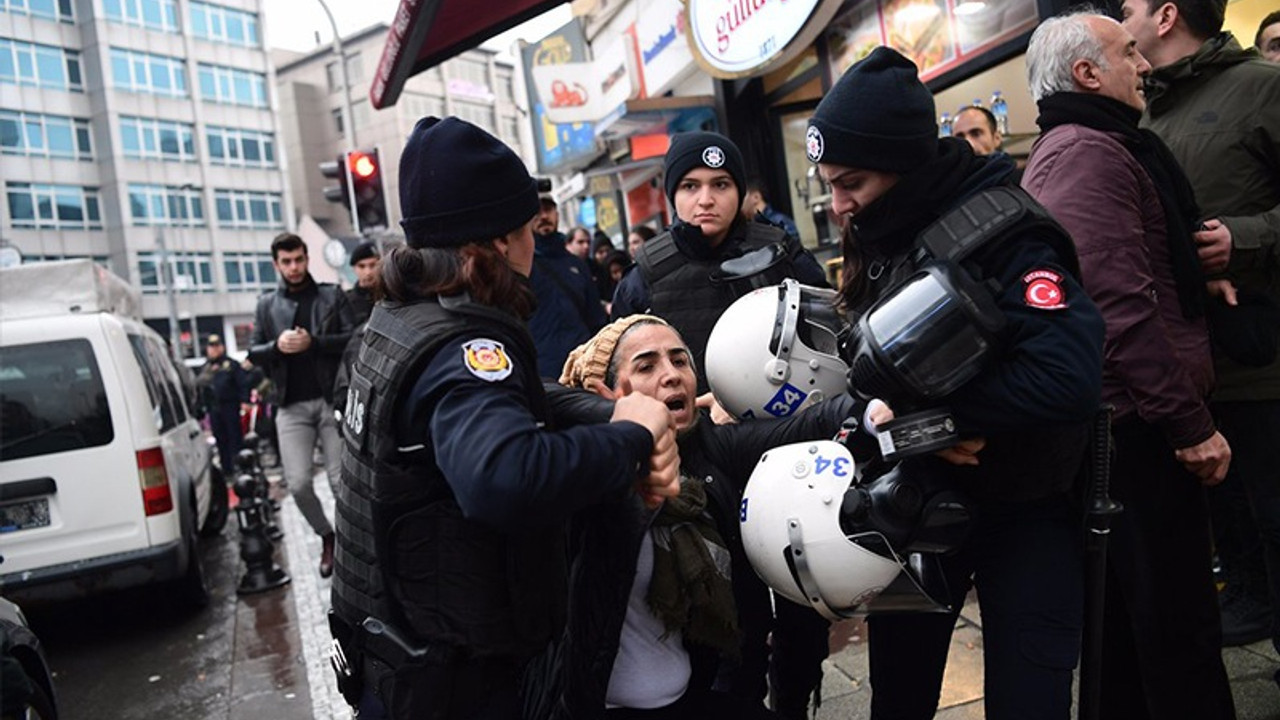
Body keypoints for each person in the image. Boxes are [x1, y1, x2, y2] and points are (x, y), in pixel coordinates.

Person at [327, 116, 679, 720]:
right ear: (495, 242)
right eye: (525, 230)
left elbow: (519, 400)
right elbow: (506, 477)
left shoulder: (401, 317)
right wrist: (630, 438)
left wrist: (614, 414)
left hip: (400, 662)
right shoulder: (462, 347)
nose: (534, 246)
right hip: (448, 681)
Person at [808, 46, 1105, 719]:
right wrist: (903, 424)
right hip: (913, 517)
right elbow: (871, 372)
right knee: (900, 698)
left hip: (1026, 512)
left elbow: (1068, 378)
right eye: (828, 182)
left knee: (1028, 701)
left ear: (904, 163)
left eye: (850, 181)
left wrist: (941, 418)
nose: (837, 203)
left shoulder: (1007, 230)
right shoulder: (882, 223)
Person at [1020, 12, 1235, 719]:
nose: (1143, 65)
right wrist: (1187, 423)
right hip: (1134, 432)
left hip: (1125, 428)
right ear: (1087, 73)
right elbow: (1114, 307)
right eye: (1129, 52)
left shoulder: (1089, 145)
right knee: (1173, 634)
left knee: (1134, 636)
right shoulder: (1089, 151)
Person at [524, 314, 880, 720]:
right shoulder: (581, 465)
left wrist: (874, 413)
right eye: (647, 365)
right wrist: (617, 421)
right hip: (591, 704)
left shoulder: (712, 444)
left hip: (701, 694)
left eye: (680, 361)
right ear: (603, 390)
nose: (672, 375)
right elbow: (532, 394)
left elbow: (812, 423)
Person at [1122, 0, 1280, 661]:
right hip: (1190, 374)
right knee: (1237, 541)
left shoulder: (1262, 87)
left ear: (1164, 16)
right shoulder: (1142, 112)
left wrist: (1242, 238)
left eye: (1126, 8)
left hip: (1263, 363)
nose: (1117, 20)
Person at [610, 131, 828, 394]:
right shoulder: (643, 277)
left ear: (740, 191)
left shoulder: (781, 252)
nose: (706, 200)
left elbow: (829, 337)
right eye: (690, 186)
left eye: (720, 184)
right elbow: (621, 376)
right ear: (673, 194)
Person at [247, 232, 354, 577]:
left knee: (342, 482)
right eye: (286, 262)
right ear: (276, 264)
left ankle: (357, 546)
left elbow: (354, 338)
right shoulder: (266, 306)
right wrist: (277, 346)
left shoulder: (330, 295)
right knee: (297, 483)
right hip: (290, 406)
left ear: (307, 258)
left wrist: (314, 342)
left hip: (329, 400)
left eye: (299, 260)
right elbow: (253, 352)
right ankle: (327, 536)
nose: (294, 267)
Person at [528, 195, 607, 378]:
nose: (543, 216)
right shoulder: (521, 266)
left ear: (557, 214)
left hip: (582, 368)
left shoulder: (577, 265)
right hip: (543, 373)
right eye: (536, 211)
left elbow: (596, 318)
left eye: (547, 210)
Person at [197, 334, 251, 477]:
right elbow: (200, 387)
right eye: (211, 347)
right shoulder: (205, 368)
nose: (214, 350)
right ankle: (227, 470)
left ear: (222, 347)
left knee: (234, 437)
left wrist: (245, 401)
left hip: (230, 406)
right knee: (220, 439)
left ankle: (238, 467)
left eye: (216, 346)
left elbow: (243, 383)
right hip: (214, 408)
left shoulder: (231, 365)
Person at [346, 241, 380, 326]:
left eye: (372, 265)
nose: (368, 272)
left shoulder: (390, 295)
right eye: (362, 266)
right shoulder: (345, 301)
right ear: (354, 268)